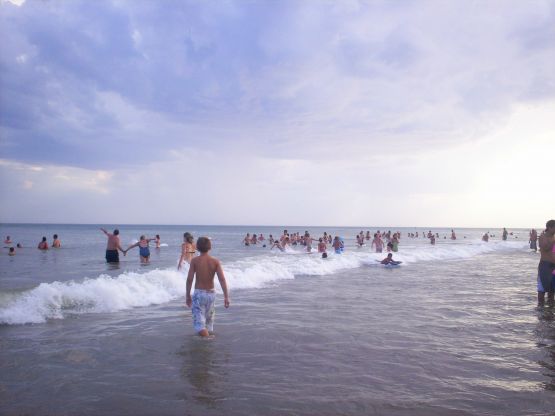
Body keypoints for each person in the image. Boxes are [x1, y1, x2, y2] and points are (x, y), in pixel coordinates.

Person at [186, 237, 230, 337]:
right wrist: (226, 297)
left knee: (199, 323)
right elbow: (222, 279)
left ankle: (208, 340)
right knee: (209, 322)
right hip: (211, 294)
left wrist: (188, 295)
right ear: (210, 247)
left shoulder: (195, 261)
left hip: (199, 294)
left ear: (197, 247)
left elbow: (189, 279)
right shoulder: (215, 261)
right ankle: (208, 346)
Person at [537, 220, 555, 307]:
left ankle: (550, 311)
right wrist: (553, 242)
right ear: (549, 227)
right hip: (545, 265)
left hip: (553, 267)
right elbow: (545, 248)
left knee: (552, 291)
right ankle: (540, 310)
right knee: (542, 290)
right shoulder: (542, 236)